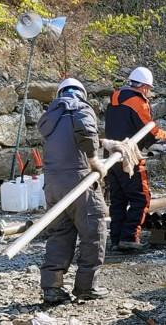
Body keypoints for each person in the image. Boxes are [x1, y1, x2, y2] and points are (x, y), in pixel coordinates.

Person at [38, 78, 108, 303]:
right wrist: (94, 159)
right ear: (81, 93)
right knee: (94, 231)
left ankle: (52, 287)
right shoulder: (79, 106)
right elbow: (86, 130)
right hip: (78, 180)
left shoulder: (50, 115)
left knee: (59, 233)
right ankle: (86, 286)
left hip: (52, 183)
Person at [105, 67, 166, 251]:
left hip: (112, 156)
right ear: (143, 87)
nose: (148, 93)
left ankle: (116, 238)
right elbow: (150, 130)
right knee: (141, 198)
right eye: (148, 89)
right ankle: (130, 237)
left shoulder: (114, 98)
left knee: (118, 200)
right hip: (130, 157)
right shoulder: (138, 103)